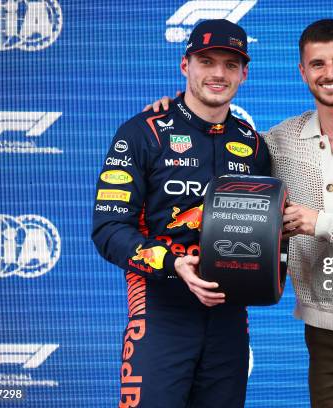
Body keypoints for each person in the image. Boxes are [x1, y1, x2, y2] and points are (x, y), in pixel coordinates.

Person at [147, 18, 333, 408]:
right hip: (324, 338)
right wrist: (178, 111)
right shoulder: (279, 141)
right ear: (302, 71)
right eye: (317, 64)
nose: (330, 73)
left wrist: (320, 223)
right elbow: (217, 138)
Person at [92, 19, 270, 408]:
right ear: (185, 65)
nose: (218, 73)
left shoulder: (254, 145)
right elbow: (108, 229)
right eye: (206, 61)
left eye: (230, 63)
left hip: (228, 318)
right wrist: (175, 265)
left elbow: (265, 233)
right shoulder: (142, 133)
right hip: (160, 311)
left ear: (244, 72)